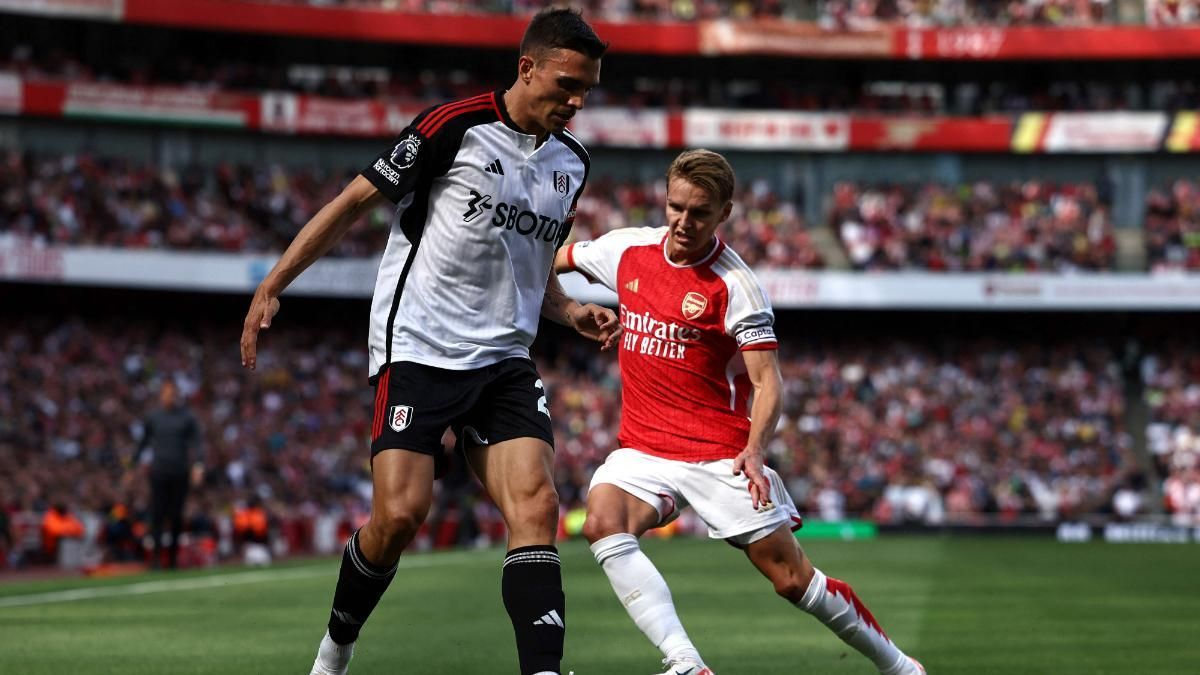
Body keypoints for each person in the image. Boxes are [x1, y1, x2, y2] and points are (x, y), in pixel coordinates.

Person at [238, 9, 614, 675]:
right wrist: (274, 283)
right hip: (420, 346)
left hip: (505, 358)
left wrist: (570, 311)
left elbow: (534, 266)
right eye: (567, 84)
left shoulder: (572, 163)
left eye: (587, 89)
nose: (577, 101)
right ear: (526, 68)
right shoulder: (452, 126)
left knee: (537, 505)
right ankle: (335, 650)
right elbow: (353, 202)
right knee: (400, 516)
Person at [555, 150, 925, 675]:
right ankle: (686, 663)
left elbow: (767, 382)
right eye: (676, 206)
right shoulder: (627, 249)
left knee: (792, 581)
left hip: (718, 454)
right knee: (602, 522)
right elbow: (546, 257)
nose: (684, 222)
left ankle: (901, 667)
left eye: (699, 213)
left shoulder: (737, 285)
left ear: (724, 213)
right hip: (642, 449)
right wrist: (571, 310)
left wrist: (755, 450)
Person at [135, 378, 204, 570]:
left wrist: (198, 465)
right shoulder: (153, 417)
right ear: (161, 395)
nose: (169, 397)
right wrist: (133, 465)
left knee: (176, 516)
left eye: (172, 393)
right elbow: (143, 442)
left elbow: (197, 442)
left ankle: (172, 558)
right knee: (157, 515)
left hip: (179, 472)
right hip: (159, 472)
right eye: (166, 393)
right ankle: (156, 558)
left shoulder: (187, 417)